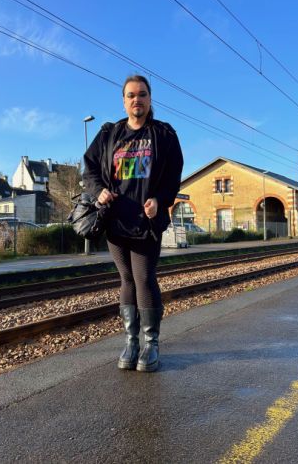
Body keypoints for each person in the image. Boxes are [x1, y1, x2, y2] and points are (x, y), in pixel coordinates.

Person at [83, 74, 183, 372]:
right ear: (124, 101)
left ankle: (151, 344)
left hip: (146, 222)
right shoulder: (109, 134)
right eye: (131, 95)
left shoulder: (163, 134)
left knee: (144, 278)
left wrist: (161, 199)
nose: (136, 99)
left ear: (150, 99)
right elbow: (89, 168)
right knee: (126, 279)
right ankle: (131, 342)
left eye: (142, 94)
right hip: (115, 221)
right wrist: (98, 191)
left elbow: (173, 175)